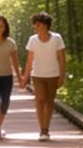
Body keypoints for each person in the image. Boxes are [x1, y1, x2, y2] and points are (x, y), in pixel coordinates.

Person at [19, 11, 67, 140]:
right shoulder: (32, 40)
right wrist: (25, 78)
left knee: (49, 102)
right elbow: (29, 61)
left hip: (53, 75)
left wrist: (62, 76)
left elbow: (62, 59)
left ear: (45, 25)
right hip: (38, 75)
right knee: (40, 100)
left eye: (38, 24)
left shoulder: (57, 38)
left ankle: (47, 128)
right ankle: (43, 130)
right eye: (35, 24)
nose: (35, 27)